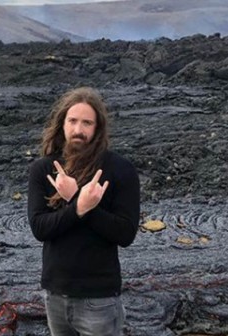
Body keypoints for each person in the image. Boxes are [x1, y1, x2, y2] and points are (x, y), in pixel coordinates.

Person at [27, 87, 140, 336]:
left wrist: (78, 202)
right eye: (73, 121)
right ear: (62, 123)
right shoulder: (43, 169)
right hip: (55, 295)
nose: (79, 129)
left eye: (87, 122)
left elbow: (125, 233)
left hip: (99, 299)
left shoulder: (121, 169)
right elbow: (40, 228)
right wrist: (79, 206)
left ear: (98, 128)